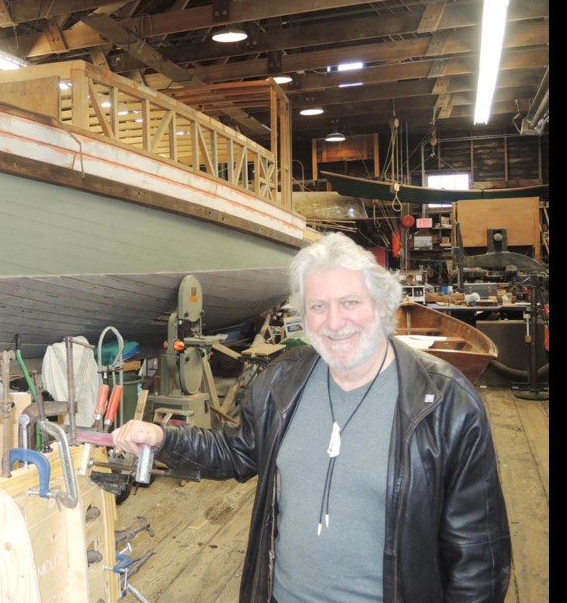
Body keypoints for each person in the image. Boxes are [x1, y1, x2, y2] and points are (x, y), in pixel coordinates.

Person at [113, 232, 511, 603]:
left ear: (383, 305)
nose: (334, 322)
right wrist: (164, 438)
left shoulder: (446, 402)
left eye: (350, 302)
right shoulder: (283, 381)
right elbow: (238, 451)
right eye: (318, 306)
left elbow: (478, 557)